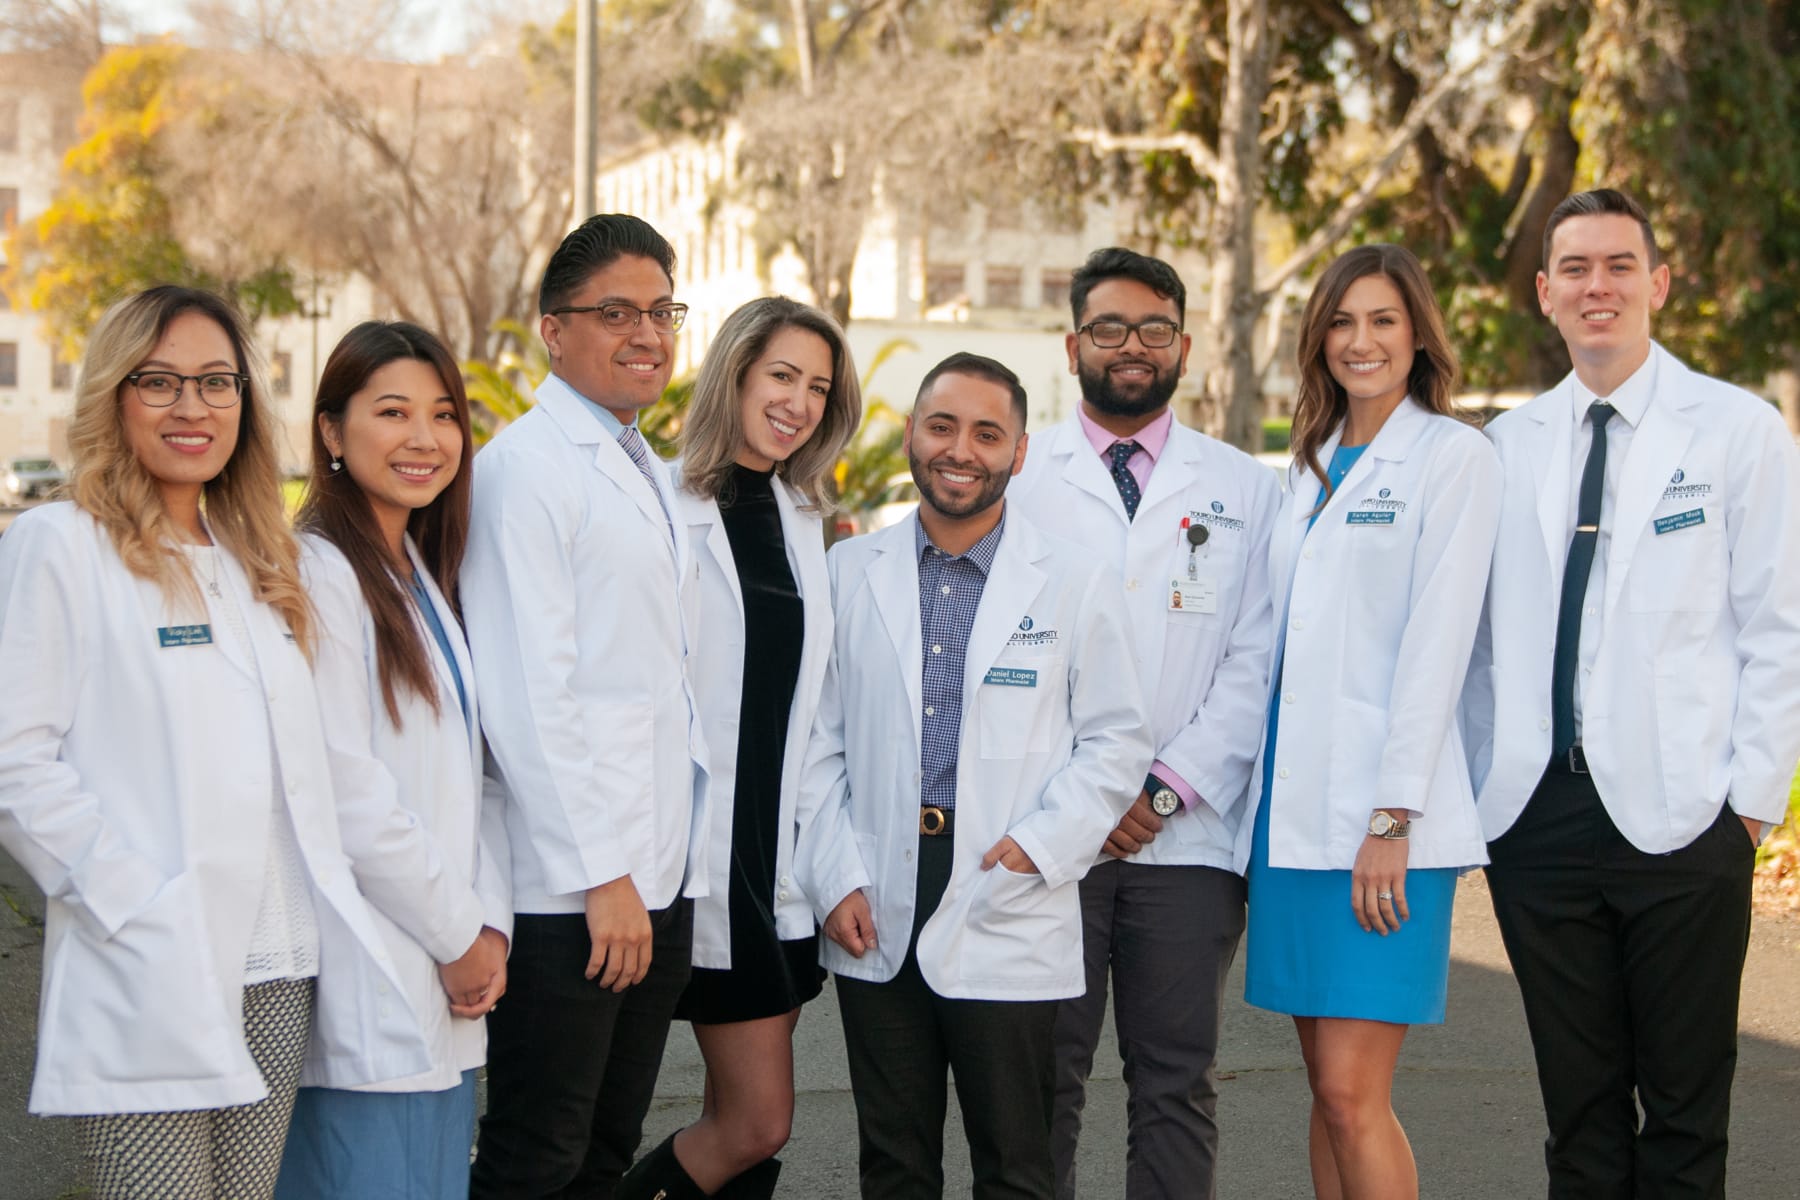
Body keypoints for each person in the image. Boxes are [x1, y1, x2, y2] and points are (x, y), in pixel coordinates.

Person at [0, 286, 430, 1200]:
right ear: (114, 396)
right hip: (152, 962)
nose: (192, 407)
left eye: (216, 383)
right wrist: (131, 902)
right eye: (159, 382)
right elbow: (14, 762)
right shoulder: (62, 546)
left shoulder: (262, 561)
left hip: (279, 969)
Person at [1466, 188, 1800, 1197]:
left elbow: (1779, 626)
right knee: (1580, 1115)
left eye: (1618, 266)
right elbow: (1474, 643)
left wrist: (1746, 807)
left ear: (1657, 283)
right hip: (1539, 822)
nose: (1597, 286)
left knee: (1688, 1115)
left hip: (1688, 817)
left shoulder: (1738, 430)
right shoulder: (1505, 446)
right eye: (1575, 269)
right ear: (1545, 293)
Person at [795, 352, 1154, 1199]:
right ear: (913, 436)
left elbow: (1116, 741)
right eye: (942, 426)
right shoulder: (849, 574)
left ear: (1019, 454)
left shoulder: (1073, 582)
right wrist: (834, 873)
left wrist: (1038, 848)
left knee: (1018, 1167)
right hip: (877, 889)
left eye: (987, 433)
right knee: (893, 1162)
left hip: (1005, 880)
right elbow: (816, 745)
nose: (961, 450)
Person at [1009, 247, 1279, 1200]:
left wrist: (1161, 788)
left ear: (1186, 347)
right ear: (1073, 343)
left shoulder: (1247, 487)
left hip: (1188, 836)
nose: (1134, 347)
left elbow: (1257, 658)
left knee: (1176, 1083)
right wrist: (1091, 800)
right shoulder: (1019, 470)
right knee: (1042, 1083)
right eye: (1112, 329)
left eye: (1155, 329)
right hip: (1051, 831)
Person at [1232, 244, 1501, 1199]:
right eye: (1342, 322)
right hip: (1292, 824)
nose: (1362, 341)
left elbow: (1438, 648)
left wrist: (1392, 820)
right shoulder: (1302, 468)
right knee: (1323, 1089)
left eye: (1383, 320)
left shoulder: (1455, 457)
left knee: (1355, 1092)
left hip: (1384, 827)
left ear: (1418, 332)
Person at [463, 213, 712, 1198]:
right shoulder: (524, 472)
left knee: (604, 1154)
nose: (645, 332)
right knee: (538, 1155)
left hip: (651, 877)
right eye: (616, 311)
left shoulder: (642, 460)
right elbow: (531, 694)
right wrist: (601, 872)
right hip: (575, 893)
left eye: (660, 310)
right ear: (552, 330)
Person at [616, 296, 862, 1199]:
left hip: (773, 856)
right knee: (758, 1123)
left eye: (818, 387)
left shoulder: (802, 516)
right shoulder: (666, 503)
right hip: (698, 858)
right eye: (782, 376)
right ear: (737, 375)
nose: (798, 401)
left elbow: (810, 712)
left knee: (743, 1124)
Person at [274, 321, 512, 1198]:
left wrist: (488, 927)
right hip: (373, 981)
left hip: (444, 981)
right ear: (332, 433)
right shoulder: (317, 571)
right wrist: (459, 934)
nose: (424, 438)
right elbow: (346, 788)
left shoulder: (419, 570)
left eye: (444, 414)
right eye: (392, 412)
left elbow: (474, 777)